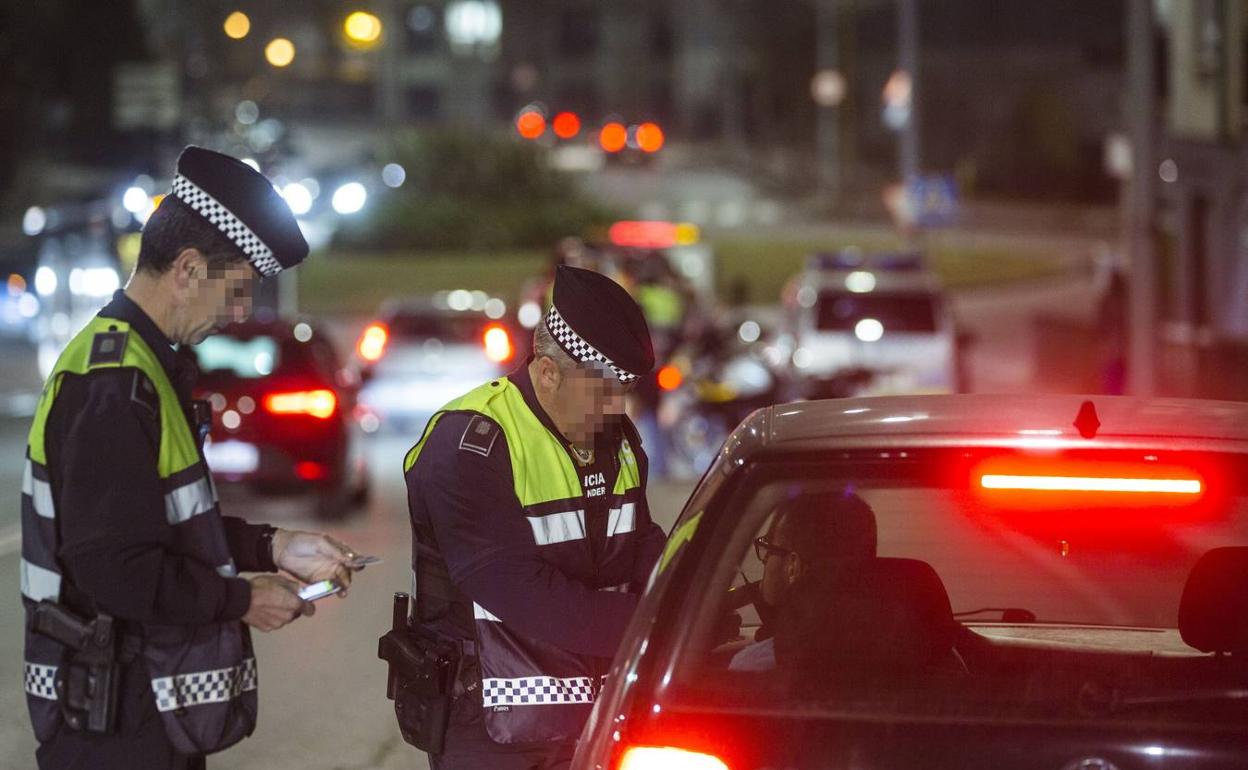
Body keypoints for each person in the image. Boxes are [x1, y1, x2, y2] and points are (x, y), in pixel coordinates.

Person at [19, 146, 364, 770]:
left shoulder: (141, 365)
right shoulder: (112, 385)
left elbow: (162, 530)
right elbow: (117, 571)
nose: (238, 315)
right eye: (236, 293)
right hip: (115, 725)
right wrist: (242, 598)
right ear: (186, 268)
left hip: (139, 707)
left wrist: (271, 545)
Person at [403, 265, 668, 769]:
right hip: (489, 727)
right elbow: (516, 588)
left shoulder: (618, 439)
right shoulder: (471, 444)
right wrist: (661, 627)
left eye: (624, 392)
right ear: (548, 372)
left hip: (595, 715)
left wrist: (696, 588)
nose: (617, 409)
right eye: (603, 392)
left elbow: (639, 544)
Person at [730, 490, 877, 672]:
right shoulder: (900, 651)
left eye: (769, 548)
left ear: (793, 566)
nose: (766, 559)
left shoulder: (751, 667)